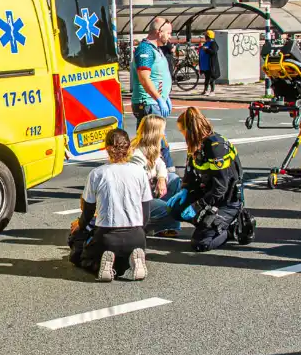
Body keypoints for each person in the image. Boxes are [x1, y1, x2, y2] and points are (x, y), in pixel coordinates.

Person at [166, 107, 256, 252]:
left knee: (201, 244)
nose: (182, 135)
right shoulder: (196, 146)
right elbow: (190, 173)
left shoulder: (215, 147)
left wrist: (197, 206)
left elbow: (220, 188)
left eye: (182, 131)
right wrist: (184, 190)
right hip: (208, 194)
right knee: (175, 209)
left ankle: (228, 228)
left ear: (190, 130)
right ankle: (206, 224)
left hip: (226, 201)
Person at [69, 129, 153, 281]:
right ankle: (132, 260)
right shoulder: (139, 172)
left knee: (79, 256)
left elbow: (88, 212)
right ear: (129, 148)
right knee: (124, 255)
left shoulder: (97, 173)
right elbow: (146, 213)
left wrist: (79, 226)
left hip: (107, 236)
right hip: (137, 237)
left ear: (106, 148)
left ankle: (101, 265)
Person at [131, 18, 175, 168]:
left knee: (149, 143)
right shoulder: (145, 50)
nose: (170, 36)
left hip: (152, 102)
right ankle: (168, 174)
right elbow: (144, 78)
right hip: (148, 103)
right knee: (158, 142)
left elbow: (158, 77)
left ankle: (152, 174)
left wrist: (165, 96)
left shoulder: (156, 49)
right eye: (168, 33)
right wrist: (158, 98)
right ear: (158, 32)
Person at [128, 114, 182, 237]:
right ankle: (144, 228)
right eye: (162, 131)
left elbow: (160, 164)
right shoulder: (136, 156)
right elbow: (136, 186)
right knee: (170, 209)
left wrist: (161, 179)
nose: (164, 134)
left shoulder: (150, 148)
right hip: (138, 200)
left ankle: (168, 226)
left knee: (173, 179)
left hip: (148, 191)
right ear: (155, 133)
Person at [199, 30, 221, 96]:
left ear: (209, 36)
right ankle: (205, 90)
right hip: (205, 65)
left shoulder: (213, 43)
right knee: (206, 78)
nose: (205, 37)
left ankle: (212, 91)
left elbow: (213, 52)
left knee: (211, 78)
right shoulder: (206, 43)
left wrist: (206, 49)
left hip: (210, 64)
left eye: (206, 36)